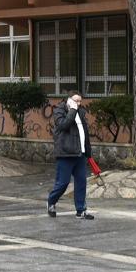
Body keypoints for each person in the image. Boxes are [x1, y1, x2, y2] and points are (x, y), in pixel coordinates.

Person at [47, 91, 95, 219]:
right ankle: (51, 201)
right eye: (75, 101)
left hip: (80, 154)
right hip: (65, 154)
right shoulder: (59, 110)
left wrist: (88, 152)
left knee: (81, 183)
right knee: (62, 183)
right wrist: (72, 110)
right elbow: (63, 125)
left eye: (80, 101)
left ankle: (81, 210)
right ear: (68, 100)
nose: (78, 103)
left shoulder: (80, 112)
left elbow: (84, 134)